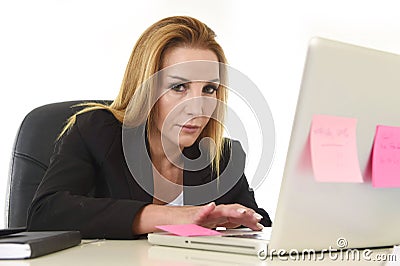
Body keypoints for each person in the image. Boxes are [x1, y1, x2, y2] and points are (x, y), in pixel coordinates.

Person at [27, 16, 272, 239]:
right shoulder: (96, 131)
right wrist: (171, 217)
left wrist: (238, 221)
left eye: (209, 89)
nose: (198, 109)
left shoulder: (222, 155)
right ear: (145, 89)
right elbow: (45, 214)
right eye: (179, 87)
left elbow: (258, 222)